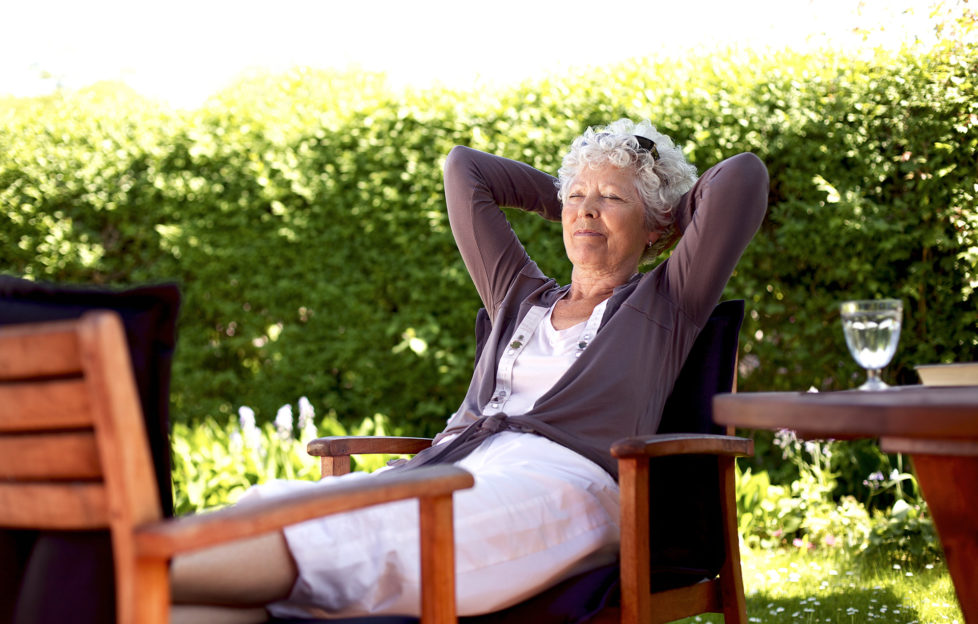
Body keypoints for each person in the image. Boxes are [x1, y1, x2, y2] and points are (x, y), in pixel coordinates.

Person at [170, 118, 769, 623]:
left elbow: (741, 177)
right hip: (452, 463)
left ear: (659, 226)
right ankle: (126, 589)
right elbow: (465, 170)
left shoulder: (666, 302)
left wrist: (664, 203)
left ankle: (114, 579)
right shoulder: (519, 296)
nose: (586, 212)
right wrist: (571, 191)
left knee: (374, 538)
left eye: (611, 199)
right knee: (278, 506)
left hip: (562, 486)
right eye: (576, 197)